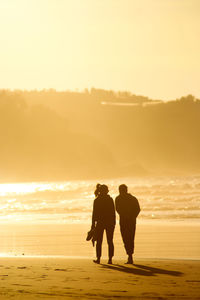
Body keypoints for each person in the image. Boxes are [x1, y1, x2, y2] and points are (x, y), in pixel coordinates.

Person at [115, 184, 140, 264]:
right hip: (127, 221)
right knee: (127, 238)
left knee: (128, 238)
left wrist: (131, 216)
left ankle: (130, 256)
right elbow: (117, 209)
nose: (120, 192)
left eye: (121, 190)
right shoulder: (119, 198)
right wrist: (131, 216)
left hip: (128, 221)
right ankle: (130, 255)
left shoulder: (131, 198)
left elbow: (137, 209)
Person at [91, 184, 116, 264]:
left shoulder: (97, 200)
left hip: (100, 223)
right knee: (110, 241)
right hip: (109, 223)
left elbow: (94, 214)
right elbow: (113, 213)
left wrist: (93, 224)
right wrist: (114, 222)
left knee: (99, 241)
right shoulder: (110, 199)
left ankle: (98, 259)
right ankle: (110, 259)